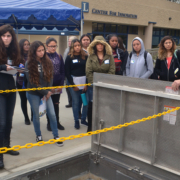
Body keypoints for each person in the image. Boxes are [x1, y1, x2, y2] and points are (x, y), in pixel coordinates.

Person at [25, 41, 63, 147]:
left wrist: (48, 91)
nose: (42, 53)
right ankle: (39, 135)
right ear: (33, 52)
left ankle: (56, 135)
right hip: (33, 93)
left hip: (46, 93)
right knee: (36, 116)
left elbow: (50, 77)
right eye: (39, 51)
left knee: (52, 114)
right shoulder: (29, 63)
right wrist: (46, 92)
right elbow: (32, 82)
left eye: (43, 50)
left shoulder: (47, 61)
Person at [0, 24, 21, 169]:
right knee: (1, 124)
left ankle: (6, 146)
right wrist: (3, 67)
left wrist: (20, 67)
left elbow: (18, 65)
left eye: (9, 36)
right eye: (3, 35)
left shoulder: (14, 51)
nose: (6, 38)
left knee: (8, 121)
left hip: (11, 90)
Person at [86, 36, 115, 132]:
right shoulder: (91, 56)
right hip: (93, 86)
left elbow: (112, 70)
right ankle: (90, 126)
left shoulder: (109, 56)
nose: (100, 46)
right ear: (94, 45)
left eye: (101, 44)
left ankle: (103, 125)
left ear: (104, 45)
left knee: (105, 106)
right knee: (91, 105)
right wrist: (93, 83)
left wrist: (104, 82)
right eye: (98, 44)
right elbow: (88, 71)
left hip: (105, 86)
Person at [65, 39, 88, 129]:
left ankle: (83, 119)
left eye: (79, 45)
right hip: (74, 83)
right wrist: (73, 85)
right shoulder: (69, 57)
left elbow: (88, 70)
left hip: (84, 83)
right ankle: (76, 121)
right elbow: (67, 72)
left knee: (85, 103)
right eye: (75, 46)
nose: (77, 47)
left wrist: (86, 84)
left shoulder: (85, 56)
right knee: (76, 103)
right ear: (72, 47)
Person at [45, 36, 65, 131]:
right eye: (51, 46)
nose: (53, 48)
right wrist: (49, 87)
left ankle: (57, 122)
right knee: (49, 105)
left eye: (55, 46)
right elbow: (43, 74)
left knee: (56, 104)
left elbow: (62, 71)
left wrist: (61, 85)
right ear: (46, 46)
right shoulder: (44, 57)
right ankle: (49, 123)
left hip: (58, 86)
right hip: (48, 86)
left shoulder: (59, 56)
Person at [17, 39, 32, 125]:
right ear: (21, 46)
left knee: (32, 99)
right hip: (21, 81)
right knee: (23, 100)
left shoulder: (32, 55)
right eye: (25, 44)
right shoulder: (18, 56)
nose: (27, 46)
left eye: (28, 44)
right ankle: (26, 117)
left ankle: (33, 115)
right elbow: (14, 67)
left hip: (31, 81)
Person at [63, 36, 76, 108]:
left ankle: (73, 102)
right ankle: (70, 102)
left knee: (72, 89)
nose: (69, 42)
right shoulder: (66, 50)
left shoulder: (75, 50)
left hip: (72, 72)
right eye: (68, 41)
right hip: (66, 71)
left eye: (70, 41)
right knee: (67, 88)